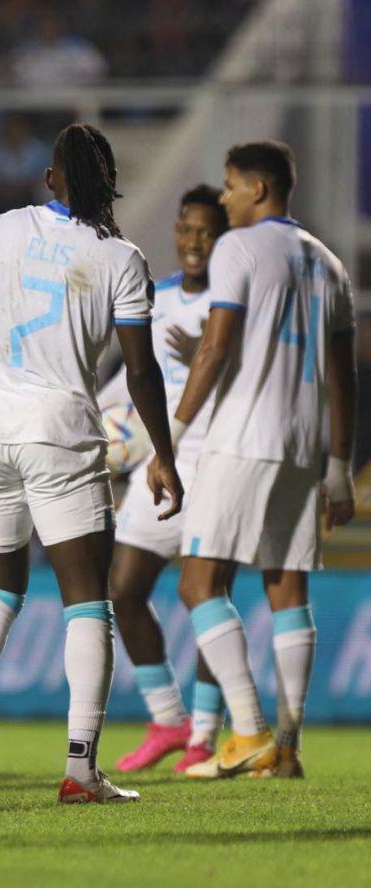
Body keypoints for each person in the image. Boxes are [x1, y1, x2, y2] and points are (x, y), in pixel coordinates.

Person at [0, 123, 183, 804]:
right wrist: (162, 454)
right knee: (86, 603)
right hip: (60, 434)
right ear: (109, 184)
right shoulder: (122, 259)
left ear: (51, 180)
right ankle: (79, 769)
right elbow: (139, 372)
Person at [169, 142, 357, 779]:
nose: (222, 199)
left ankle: (246, 726)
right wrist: (338, 467)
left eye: (228, 186)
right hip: (305, 448)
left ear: (257, 188)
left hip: (243, 436)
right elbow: (343, 376)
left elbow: (215, 347)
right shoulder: (330, 263)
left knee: (197, 582)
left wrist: (171, 434)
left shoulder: (238, 248)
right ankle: (288, 748)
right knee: (287, 586)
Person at [94, 185, 230, 774]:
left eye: (205, 230)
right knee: (123, 589)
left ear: (223, 237)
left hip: (222, 463)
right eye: (185, 228)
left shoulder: (235, 303)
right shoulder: (158, 298)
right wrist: (101, 431)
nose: (192, 241)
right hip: (159, 463)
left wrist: (213, 351)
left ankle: (206, 733)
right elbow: (133, 378)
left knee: (206, 598)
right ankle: (167, 719)